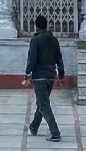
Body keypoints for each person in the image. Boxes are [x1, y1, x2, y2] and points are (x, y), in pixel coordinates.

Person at [23, 14, 65, 142]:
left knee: (44, 104)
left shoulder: (36, 40)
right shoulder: (53, 40)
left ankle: (55, 132)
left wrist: (27, 73)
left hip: (39, 76)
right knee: (42, 102)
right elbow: (59, 57)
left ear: (36, 26)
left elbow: (32, 58)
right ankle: (34, 126)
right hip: (51, 75)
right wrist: (61, 72)